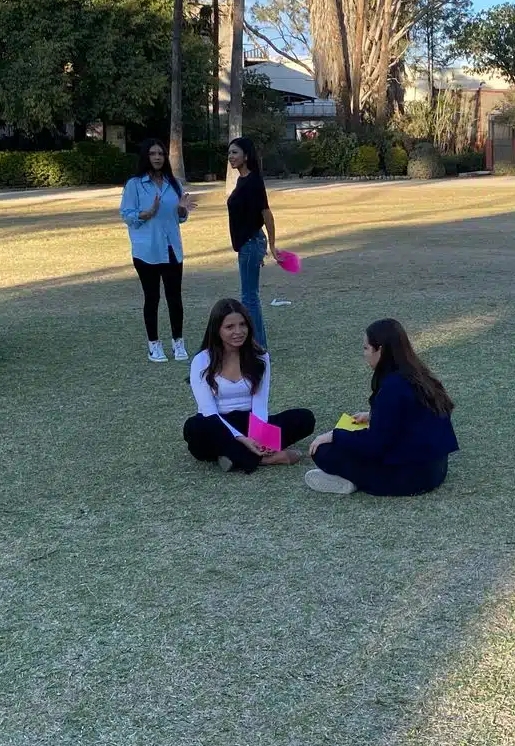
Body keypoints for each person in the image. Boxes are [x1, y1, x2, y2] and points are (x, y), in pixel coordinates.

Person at [305, 318, 458, 497]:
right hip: (437, 469)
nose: (364, 354)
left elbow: (375, 444)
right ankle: (349, 479)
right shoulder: (419, 374)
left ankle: (352, 480)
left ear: (381, 350)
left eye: (366, 348)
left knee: (323, 451)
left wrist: (334, 435)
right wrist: (373, 416)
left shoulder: (393, 386)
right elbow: (412, 416)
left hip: (409, 478)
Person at [182, 299, 315, 473]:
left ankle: (232, 456)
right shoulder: (202, 361)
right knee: (195, 428)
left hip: (250, 422)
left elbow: (260, 405)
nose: (238, 332)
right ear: (217, 330)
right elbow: (209, 411)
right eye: (229, 327)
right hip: (217, 424)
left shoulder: (260, 357)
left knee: (304, 418)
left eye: (242, 325)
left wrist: (257, 437)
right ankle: (264, 459)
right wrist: (243, 439)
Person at [121, 139, 192, 363]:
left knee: (175, 298)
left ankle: (178, 343)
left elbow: (180, 217)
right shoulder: (135, 184)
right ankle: (154, 345)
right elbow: (127, 214)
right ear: (146, 156)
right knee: (152, 298)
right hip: (147, 250)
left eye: (161, 153)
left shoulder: (174, 183)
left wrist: (182, 210)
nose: (158, 157)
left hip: (171, 248)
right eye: (153, 153)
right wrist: (146, 213)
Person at [227, 137, 281, 348]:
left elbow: (266, 213)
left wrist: (272, 246)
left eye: (235, 153)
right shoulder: (242, 181)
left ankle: (258, 346)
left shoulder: (253, 181)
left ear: (246, 156)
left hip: (251, 243)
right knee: (250, 296)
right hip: (248, 244)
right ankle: (258, 345)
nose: (231, 157)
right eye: (230, 153)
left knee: (249, 297)